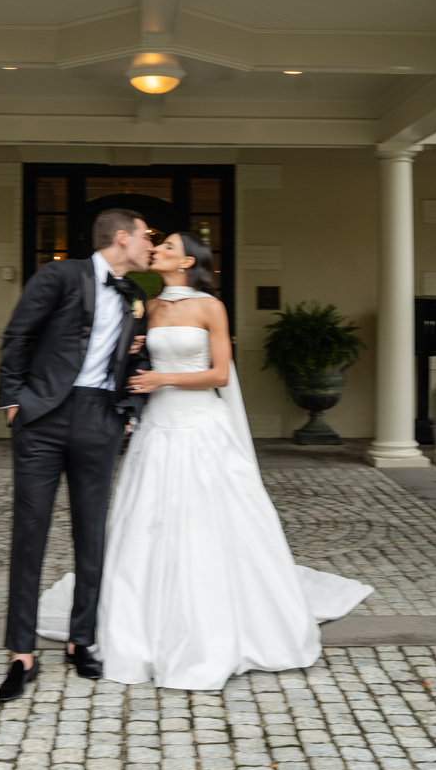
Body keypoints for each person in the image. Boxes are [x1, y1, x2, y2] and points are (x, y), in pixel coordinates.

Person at [39, 230, 372, 692]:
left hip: (201, 427)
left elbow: (218, 374)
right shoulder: (148, 307)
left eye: (168, 247)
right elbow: (129, 360)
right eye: (158, 244)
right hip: (157, 429)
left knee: (207, 522)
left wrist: (163, 379)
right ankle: (141, 625)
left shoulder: (210, 307)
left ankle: (218, 623)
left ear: (187, 262)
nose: (157, 249)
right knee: (147, 522)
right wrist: (132, 374)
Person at [0, 207, 154, 702]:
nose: (151, 245)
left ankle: (80, 640)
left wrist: (128, 412)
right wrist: (13, 402)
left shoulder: (136, 296)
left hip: (100, 418)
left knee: (92, 534)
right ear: (122, 237)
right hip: (42, 417)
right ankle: (21, 653)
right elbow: (18, 335)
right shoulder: (60, 275)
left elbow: (140, 358)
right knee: (30, 532)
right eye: (146, 236)